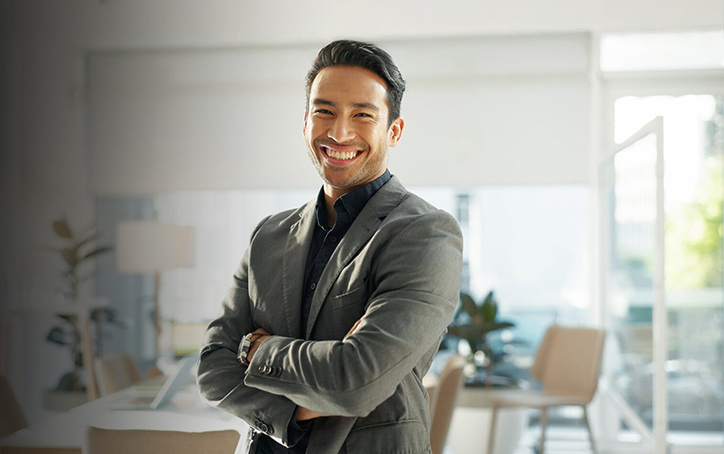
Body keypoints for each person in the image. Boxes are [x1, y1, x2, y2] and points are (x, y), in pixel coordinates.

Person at [197, 39, 463, 454]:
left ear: (393, 131)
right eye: (325, 112)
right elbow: (213, 367)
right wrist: (294, 411)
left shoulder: (425, 233)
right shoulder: (268, 235)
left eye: (362, 114)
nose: (339, 132)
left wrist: (257, 349)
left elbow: (357, 380)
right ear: (305, 122)